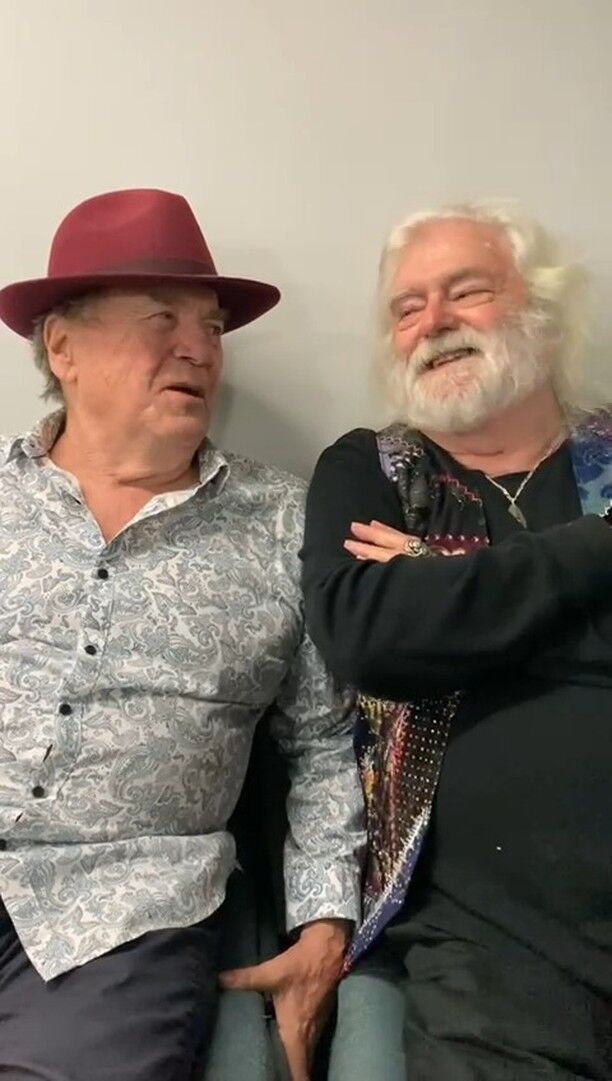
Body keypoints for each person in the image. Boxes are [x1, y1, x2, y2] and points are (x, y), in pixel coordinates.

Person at [0, 188, 364, 1081]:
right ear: (63, 347)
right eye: (162, 318)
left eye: (211, 327)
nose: (199, 348)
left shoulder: (283, 523)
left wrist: (323, 927)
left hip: (120, 917)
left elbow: (323, 744)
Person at [301, 203, 612, 1080]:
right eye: (407, 307)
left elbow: (419, 626)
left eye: (465, 291)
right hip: (493, 943)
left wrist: (440, 581)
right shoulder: (372, 469)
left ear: (540, 311)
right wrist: (598, 551)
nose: (433, 322)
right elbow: (369, 636)